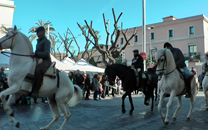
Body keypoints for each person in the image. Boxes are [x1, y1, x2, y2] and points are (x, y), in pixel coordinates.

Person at [32, 26, 51, 94]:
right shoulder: (39, 41)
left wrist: (36, 53)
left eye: (38, 32)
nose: (37, 33)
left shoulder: (46, 41)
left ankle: (37, 89)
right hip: (38, 60)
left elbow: (46, 53)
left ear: (42, 32)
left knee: (38, 70)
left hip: (46, 61)